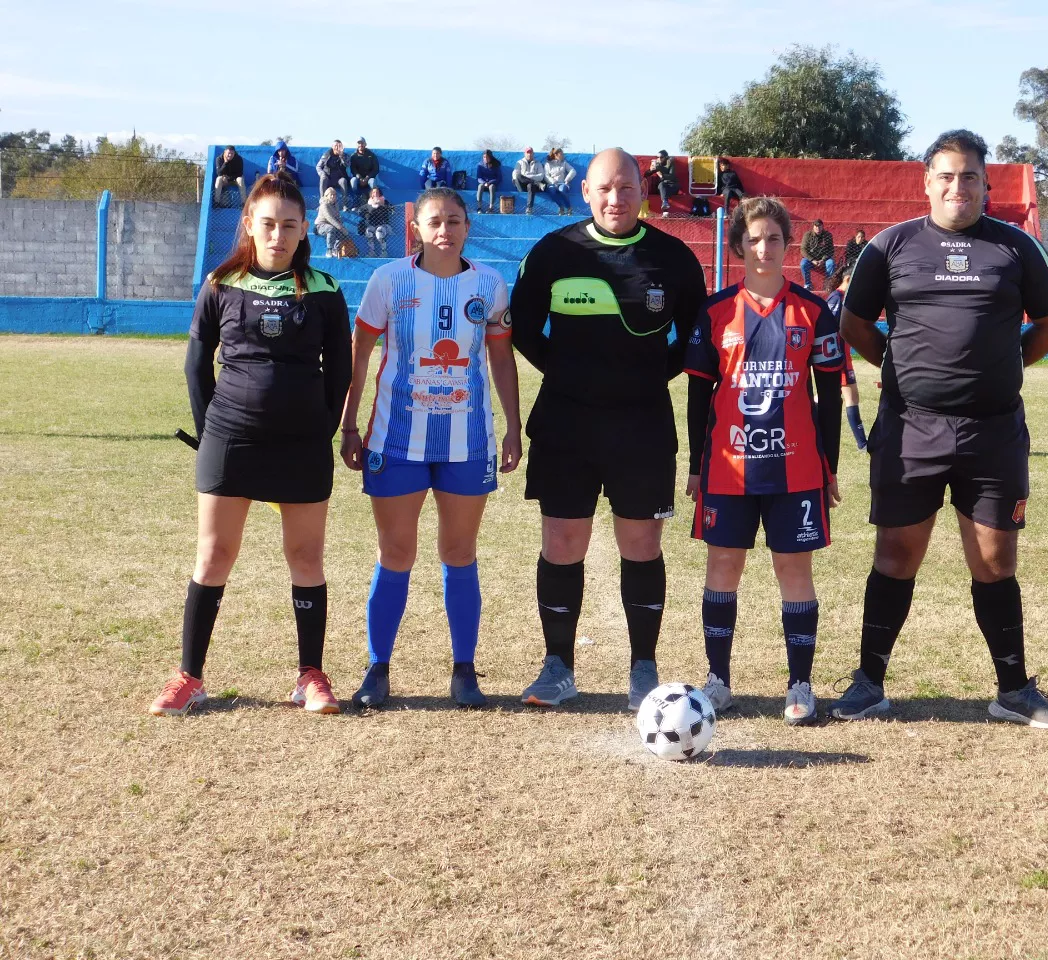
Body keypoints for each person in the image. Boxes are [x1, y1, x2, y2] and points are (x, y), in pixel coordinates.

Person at [832, 129, 1048, 728]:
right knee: (897, 553)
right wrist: (893, 363)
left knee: (994, 559)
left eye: (969, 176)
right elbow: (856, 323)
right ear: (927, 183)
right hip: (911, 427)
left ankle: (1013, 690)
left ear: (986, 184)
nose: (957, 186)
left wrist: (1007, 362)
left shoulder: (1016, 248)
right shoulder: (890, 246)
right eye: (945, 175)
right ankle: (869, 683)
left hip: (993, 431)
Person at [509, 148, 706, 709]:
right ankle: (558, 668)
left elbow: (693, 344)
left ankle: (643, 667)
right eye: (604, 189)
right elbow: (523, 329)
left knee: (641, 545)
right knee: (562, 542)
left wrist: (644, 376)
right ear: (586, 193)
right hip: (566, 421)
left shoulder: (672, 258)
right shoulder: (554, 252)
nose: (615, 199)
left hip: (642, 423)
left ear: (642, 192)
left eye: (625, 188)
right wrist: (571, 374)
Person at [149, 174, 352, 717]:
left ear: (305, 227)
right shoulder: (220, 282)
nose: (278, 235)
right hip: (230, 441)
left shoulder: (326, 290)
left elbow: (340, 372)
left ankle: (311, 676)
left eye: (289, 225)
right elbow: (197, 364)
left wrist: (320, 429)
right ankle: (189, 677)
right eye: (268, 224)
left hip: (301, 444)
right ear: (249, 225)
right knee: (214, 555)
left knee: (306, 556)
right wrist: (212, 430)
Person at [341, 187, 522, 710]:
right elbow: (359, 356)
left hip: (468, 440)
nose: (445, 230)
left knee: (459, 552)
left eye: (455, 221)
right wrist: (349, 424)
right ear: (416, 228)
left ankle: (464, 670)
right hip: (397, 439)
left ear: (468, 227)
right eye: (435, 221)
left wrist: (513, 427)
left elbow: (502, 360)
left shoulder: (489, 284)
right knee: (395, 552)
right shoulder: (388, 280)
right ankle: (378, 668)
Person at [684, 197, 845, 726]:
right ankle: (719, 681)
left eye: (774, 238)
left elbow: (826, 395)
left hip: (795, 468)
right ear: (737, 246)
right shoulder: (715, 312)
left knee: (792, 569)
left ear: (787, 244)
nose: (764, 248)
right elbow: (698, 395)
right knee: (723, 565)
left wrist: (831, 466)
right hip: (728, 467)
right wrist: (693, 465)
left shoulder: (814, 311)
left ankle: (800, 684)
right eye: (753, 239)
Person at [827, 267, 868, 452]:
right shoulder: (836, 299)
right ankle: (862, 444)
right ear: (848, 279)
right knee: (851, 397)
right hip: (839, 358)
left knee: (840, 397)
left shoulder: (846, 300)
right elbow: (829, 329)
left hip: (845, 356)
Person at [356, 186, 393, 257]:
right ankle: (372, 252)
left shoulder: (384, 201)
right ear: (371, 194)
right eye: (373, 192)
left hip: (382, 224)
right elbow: (360, 210)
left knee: (379, 233)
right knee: (368, 231)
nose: (375, 193)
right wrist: (366, 215)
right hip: (372, 225)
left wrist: (383, 206)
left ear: (379, 194)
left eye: (377, 192)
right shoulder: (369, 204)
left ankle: (384, 252)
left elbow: (391, 209)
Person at [314, 187, 351, 258]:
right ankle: (329, 250)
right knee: (331, 228)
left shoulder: (336, 205)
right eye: (331, 194)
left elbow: (337, 217)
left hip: (333, 226)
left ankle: (336, 248)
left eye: (334, 195)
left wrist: (343, 228)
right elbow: (329, 218)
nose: (333, 196)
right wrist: (341, 228)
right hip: (320, 225)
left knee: (344, 235)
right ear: (326, 196)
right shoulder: (324, 205)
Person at [799, 219, 835, 290]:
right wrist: (812, 260)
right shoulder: (807, 235)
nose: (818, 229)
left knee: (831, 263)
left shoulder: (828, 235)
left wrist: (823, 260)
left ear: (823, 226)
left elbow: (831, 250)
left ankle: (827, 284)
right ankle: (808, 284)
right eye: (816, 227)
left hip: (824, 259)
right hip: (811, 259)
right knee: (803, 264)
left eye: (820, 226)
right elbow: (803, 249)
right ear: (813, 227)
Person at [316, 140, 350, 210]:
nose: (337, 148)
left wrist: (341, 155)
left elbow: (347, 165)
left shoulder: (345, 155)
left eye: (339, 146)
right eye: (335, 146)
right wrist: (322, 174)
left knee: (343, 180)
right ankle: (322, 203)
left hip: (339, 179)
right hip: (328, 179)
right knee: (323, 178)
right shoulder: (326, 155)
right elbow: (318, 167)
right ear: (332, 147)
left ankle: (345, 205)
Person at [512, 147, 546, 213]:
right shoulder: (520, 162)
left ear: (533, 154)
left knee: (530, 185)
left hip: (533, 187)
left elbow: (541, 176)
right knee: (519, 176)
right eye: (527, 153)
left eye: (531, 153)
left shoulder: (538, 163)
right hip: (523, 186)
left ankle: (529, 208)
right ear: (524, 154)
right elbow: (515, 175)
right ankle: (538, 183)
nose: (529, 154)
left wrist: (527, 175)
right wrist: (534, 179)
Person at [544, 147, 577, 215]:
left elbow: (573, 171)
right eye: (561, 154)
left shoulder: (564, 163)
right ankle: (561, 207)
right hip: (552, 184)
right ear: (556, 155)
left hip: (562, 183)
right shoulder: (548, 164)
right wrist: (553, 181)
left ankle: (569, 208)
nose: (563, 156)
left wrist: (567, 179)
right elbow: (546, 175)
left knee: (562, 190)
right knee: (552, 191)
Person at [646, 149, 679, 215]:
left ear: (666, 157)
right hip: (662, 188)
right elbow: (646, 175)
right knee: (661, 185)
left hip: (672, 186)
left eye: (661, 157)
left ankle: (665, 207)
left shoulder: (670, 163)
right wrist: (650, 169)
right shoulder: (657, 164)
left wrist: (661, 174)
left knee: (664, 185)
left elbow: (671, 176)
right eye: (657, 157)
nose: (659, 159)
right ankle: (665, 203)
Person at [349, 137, 380, 205]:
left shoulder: (371, 155)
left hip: (369, 178)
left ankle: (373, 201)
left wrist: (367, 177)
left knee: (373, 182)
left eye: (362, 143)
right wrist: (359, 177)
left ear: (365, 144)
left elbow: (376, 169)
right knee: (353, 181)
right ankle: (356, 200)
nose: (360, 145)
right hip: (358, 178)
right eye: (359, 143)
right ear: (357, 145)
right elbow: (353, 169)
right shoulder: (353, 156)